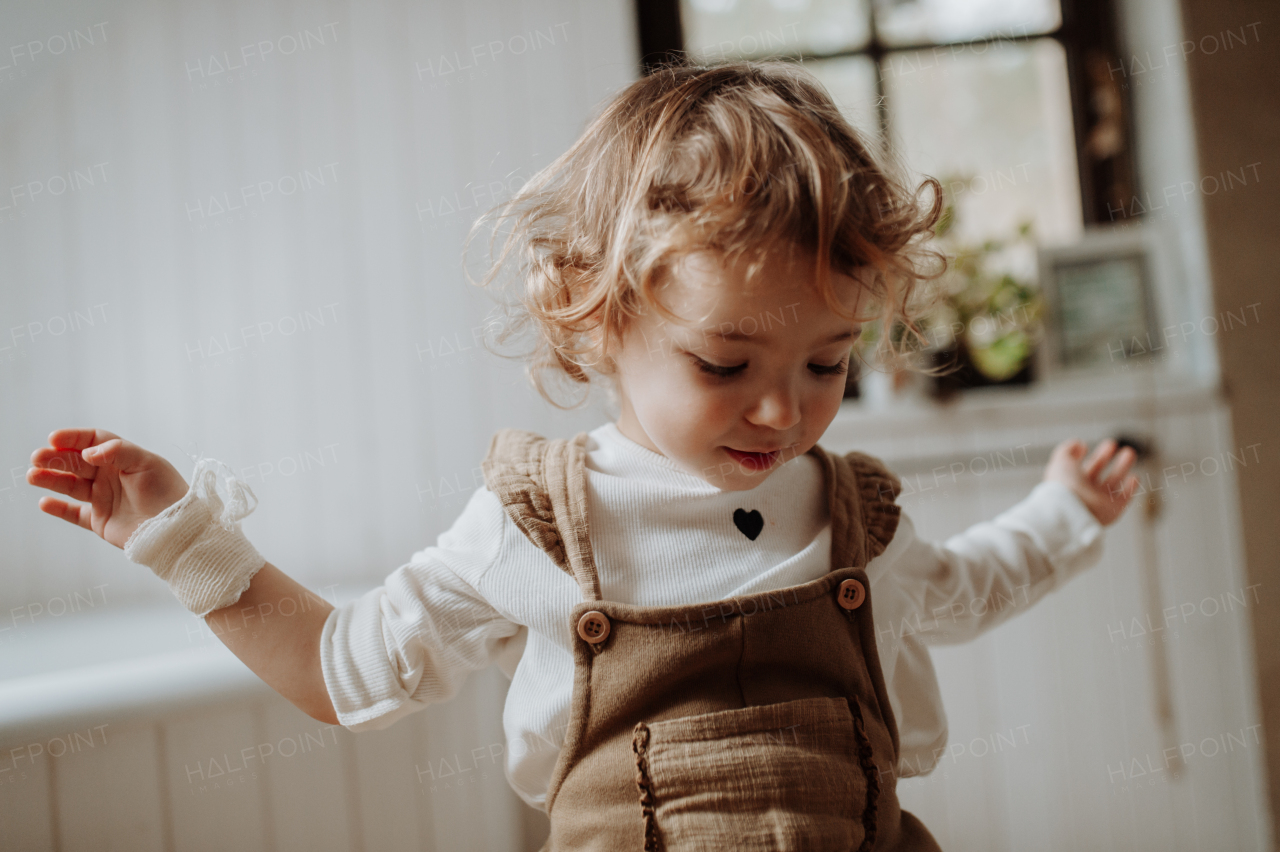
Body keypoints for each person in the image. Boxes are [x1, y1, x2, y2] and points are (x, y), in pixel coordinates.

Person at [26, 61, 1138, 850]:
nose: (780, 413)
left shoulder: (857, 517)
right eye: (722, 365)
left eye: (826, 363)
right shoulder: (537, 526)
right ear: (596, 315)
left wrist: (1064, 511)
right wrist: (178, 538)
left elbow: (969, 589)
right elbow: (343, 668)